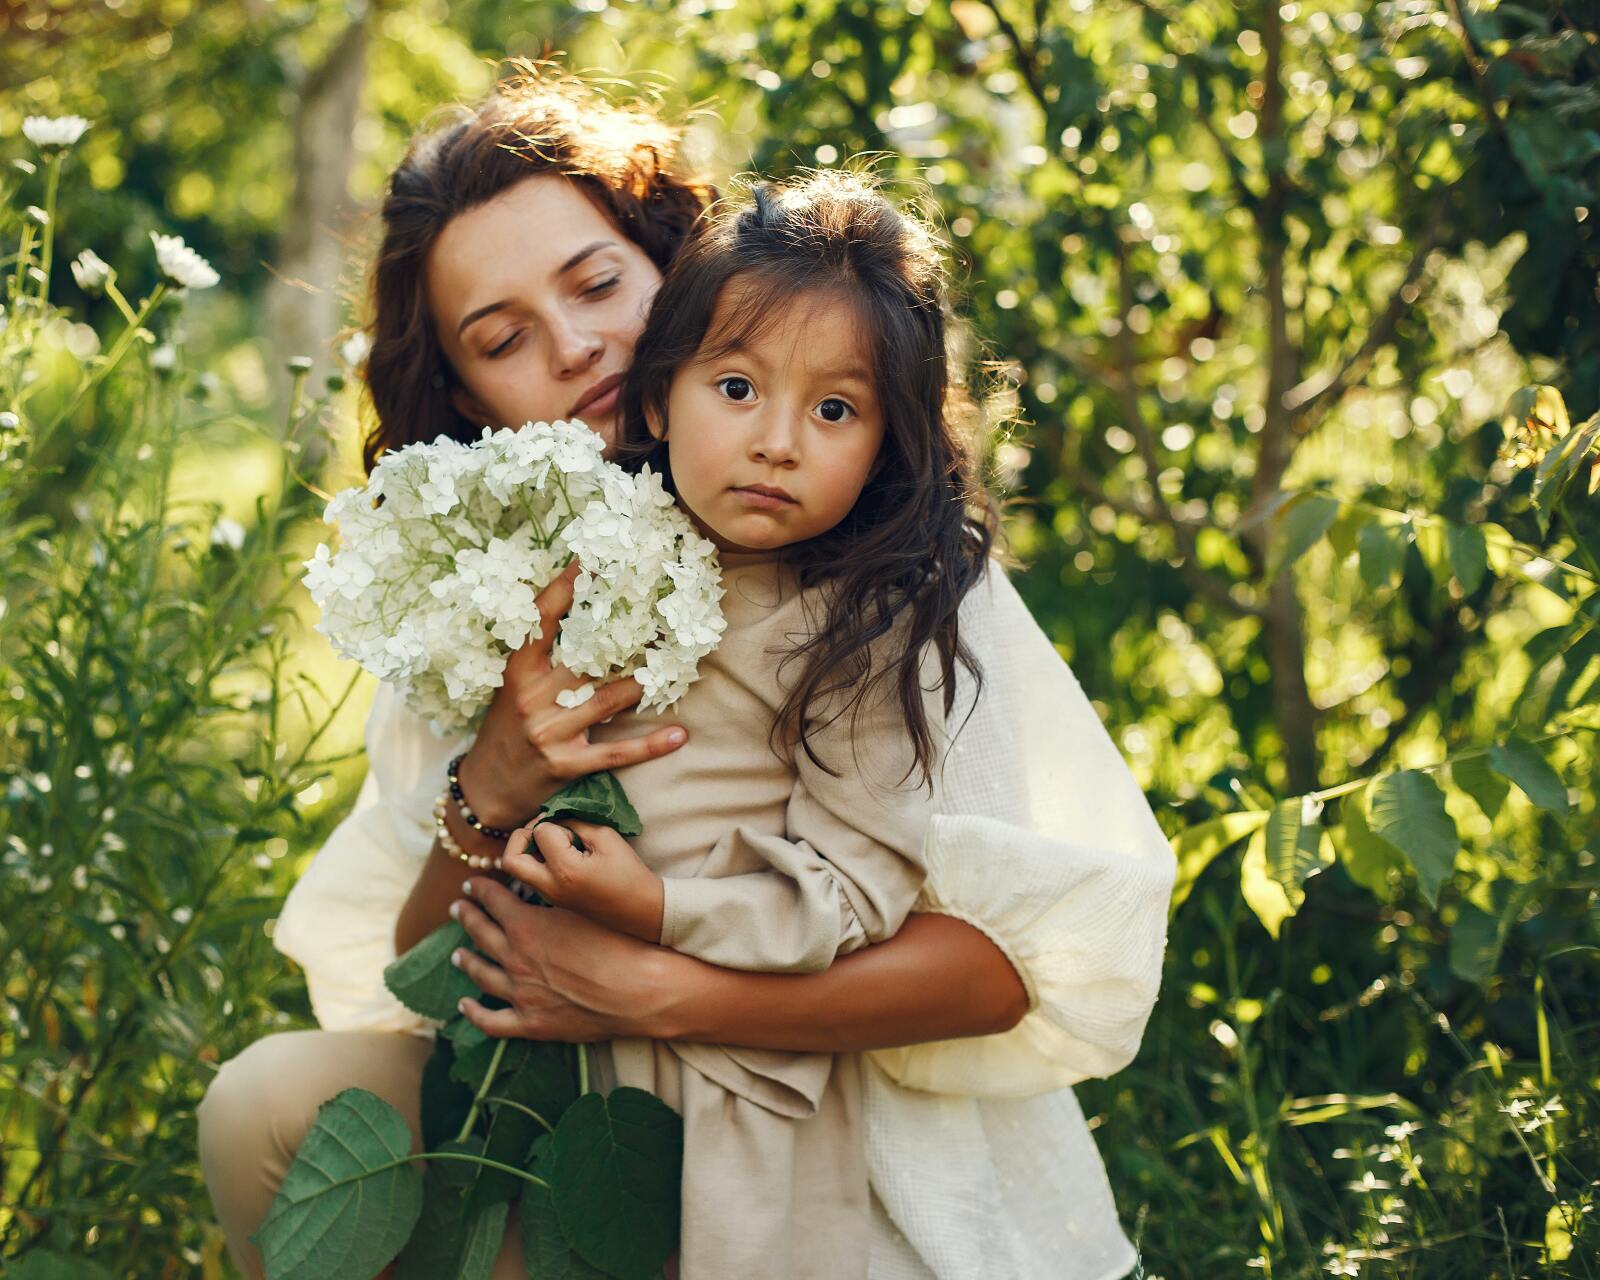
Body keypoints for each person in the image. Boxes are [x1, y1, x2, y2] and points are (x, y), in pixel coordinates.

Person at [197, 66, 1174, 1280]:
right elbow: (426, 979)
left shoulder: (885, 565)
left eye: (598, 283)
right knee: (265, 1105)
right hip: (578, 1113)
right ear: (464, 394)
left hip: (842, 1124)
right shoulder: (489, 584)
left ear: (674, 265)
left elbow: (996, 966)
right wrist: (491, 780)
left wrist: (654, 988)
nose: (576, 347)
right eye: (503, 339)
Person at [486, 169, 992, 1278]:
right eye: (736, 388)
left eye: (833, 409)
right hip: (559, 1063)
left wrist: (657, 904)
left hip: (738, 1079)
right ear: (658, 398)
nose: (776, 441)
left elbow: (857, 890)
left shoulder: (858, 627)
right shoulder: (591, 556)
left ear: (885, 446)